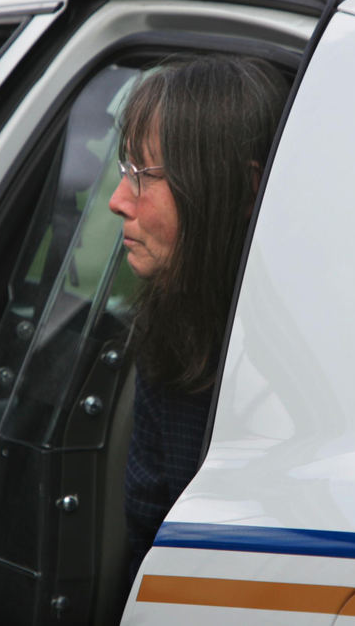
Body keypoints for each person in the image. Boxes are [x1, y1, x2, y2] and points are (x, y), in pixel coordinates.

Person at [108, 55, 290, 580]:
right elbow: (150, 531)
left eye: (145, 175)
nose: (120, 200)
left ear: (243, 188)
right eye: (125, 170)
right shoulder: (172, 324)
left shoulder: (299, 370)